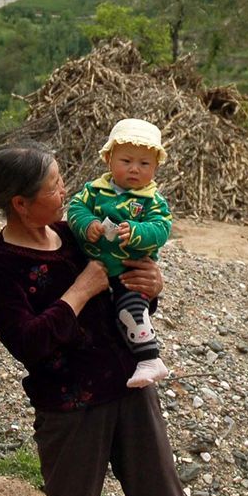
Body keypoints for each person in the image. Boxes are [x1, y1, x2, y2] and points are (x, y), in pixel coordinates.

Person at [0, 140, 185, 496]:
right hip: (71, 407)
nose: (65, 190)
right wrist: (81, 290)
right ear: (21, 202)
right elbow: (28, 341)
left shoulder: (75, 235)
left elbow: (124, 294)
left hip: (130, 387)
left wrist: (151, 286)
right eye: (54, 186)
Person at [68, 118, 172, 388]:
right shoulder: (93, 191)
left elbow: (161, 229)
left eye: (144, 164)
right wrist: (87, 224)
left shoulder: (153, 201)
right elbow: (75, 209)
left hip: (128, 271)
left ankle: (150, 359)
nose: (135, 169)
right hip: (92, 268)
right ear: (109, 160)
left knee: (132, 309)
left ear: (156, 167)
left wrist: (136, 232)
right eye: (126, 161)